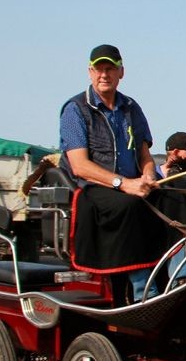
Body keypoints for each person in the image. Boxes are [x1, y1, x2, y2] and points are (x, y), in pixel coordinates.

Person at [59, 44, 173, 302]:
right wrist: (124, 184)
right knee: (130, 206)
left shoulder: (132, 107)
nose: (104, 74)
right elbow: (79, 166)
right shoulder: (75, 110)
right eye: (98, 69)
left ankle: (183, 276)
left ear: (121, 72)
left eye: (110, 68)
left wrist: (147, 176)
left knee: (176, 199)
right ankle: (144, 291)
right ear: (89, 72)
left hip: (132, 185)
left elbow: (145, 155)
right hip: (93, 189)